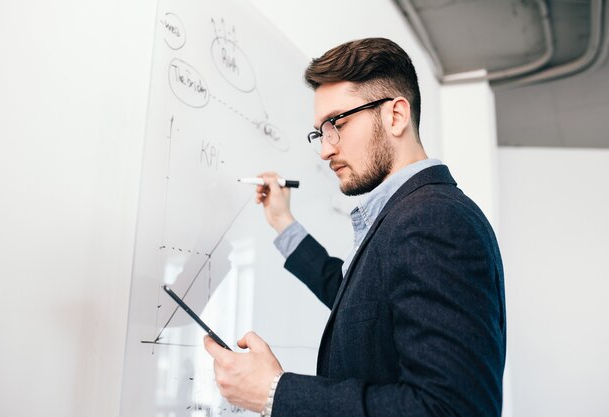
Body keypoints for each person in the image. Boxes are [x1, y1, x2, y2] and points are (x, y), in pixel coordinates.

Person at [204, 37, 506, 417]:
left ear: (395, 115)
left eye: (336, 124)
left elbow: (450, 409)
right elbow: (357, 301)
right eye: (320, 132)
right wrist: (283, 222)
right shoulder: (408, 214)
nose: (325, 149)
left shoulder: (433, 221)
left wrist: (275, 393)